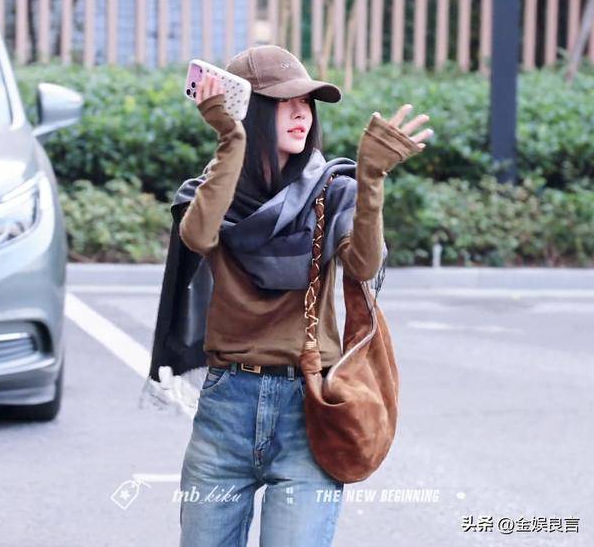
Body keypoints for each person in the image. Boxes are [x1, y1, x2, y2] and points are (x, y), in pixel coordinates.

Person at [176, 45, 432, 547]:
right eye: (284, 102)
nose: (301, 113)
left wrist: (371, 179)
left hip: (307, 408)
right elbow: (198, 236)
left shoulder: (332, 189)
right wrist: (231, 140)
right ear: (249, 110)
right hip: (226, 408)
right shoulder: (213, 191)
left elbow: (364, 267)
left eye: (307, 102)